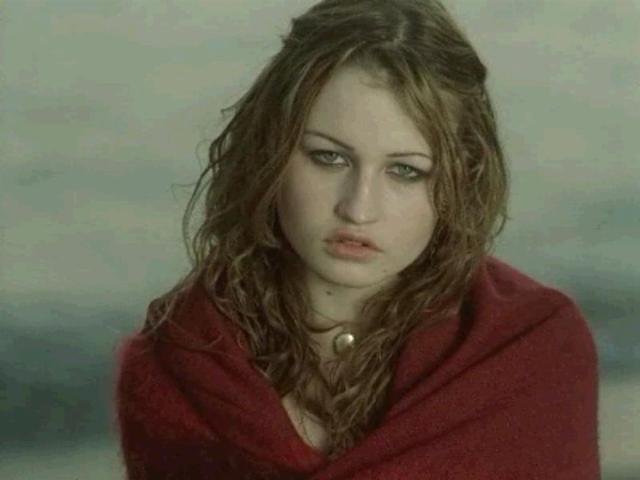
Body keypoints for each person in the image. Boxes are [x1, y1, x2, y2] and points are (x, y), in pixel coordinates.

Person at [113, 0, 601, 478]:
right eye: (329, 158)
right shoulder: (178, 361)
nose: (358, 208)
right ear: (270, 151)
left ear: (462, 178)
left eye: (406, 171)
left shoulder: (530, 350)